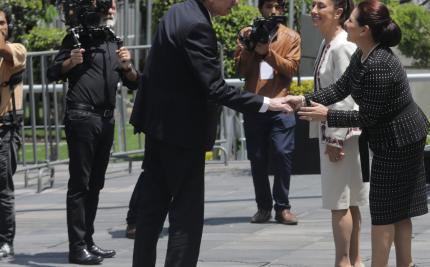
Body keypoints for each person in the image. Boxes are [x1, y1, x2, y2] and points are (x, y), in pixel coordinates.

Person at [128, 0, 293, 265]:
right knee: (186, 217)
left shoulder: (177, 12)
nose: (236, 2)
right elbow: (214, 87)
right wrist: (266, 103)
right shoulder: (197, 25)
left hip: (158, 128)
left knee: (151, 211)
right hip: (183, 134)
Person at [286, 1, 429, 266]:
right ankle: (405, 264)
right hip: (395, 136)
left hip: (401, 138)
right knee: (398, 208)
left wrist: (327, 115)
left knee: (387, 209)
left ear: (364, 30)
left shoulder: (379, 65)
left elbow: (366, 118)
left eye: (350, 20)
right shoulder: (363, 54)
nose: (346, 24)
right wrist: (304, 100)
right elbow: (340, 87)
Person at [47, 0, 139, 264]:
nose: (105, 13)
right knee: (80, 184)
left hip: (106, 118)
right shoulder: (74, 39)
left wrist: (128, 66)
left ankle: (87, 240)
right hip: (82, 116)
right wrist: (70, 62)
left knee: (95, 184)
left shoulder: (112, 40)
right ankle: (77, 247)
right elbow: (52, 72)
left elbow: (134, 81)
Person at [309, 0, 369, 266]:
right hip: (343, 132)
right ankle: (354, 261)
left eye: (320, 5)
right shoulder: (328, 43)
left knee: (340, 202)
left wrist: (334, 138)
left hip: (342, 135)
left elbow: (345, 97)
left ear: (338, 12)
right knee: (350, 200)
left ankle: (343, 262)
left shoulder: (342, 45)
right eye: (312, 4)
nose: (314, 10)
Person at [234, 0, 301, 225]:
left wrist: (268, 52)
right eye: (268, 6)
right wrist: (250, 48)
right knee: (257, 158)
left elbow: (291, 69)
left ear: (282, 10)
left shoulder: (291, 37)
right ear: (260, 8)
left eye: (278, 7)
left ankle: (282, 207)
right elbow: (241, 70)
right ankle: (263, 207)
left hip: (281, 104)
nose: (273, 11)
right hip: (255, 104)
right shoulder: (246, 33)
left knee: (283, 154)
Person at [0, 6, 26, 259]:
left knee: (3, 189)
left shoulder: (16, 49)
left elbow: (4, 51)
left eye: (2, 23)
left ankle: (6, 241)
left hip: (4, 132)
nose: (0, 27)